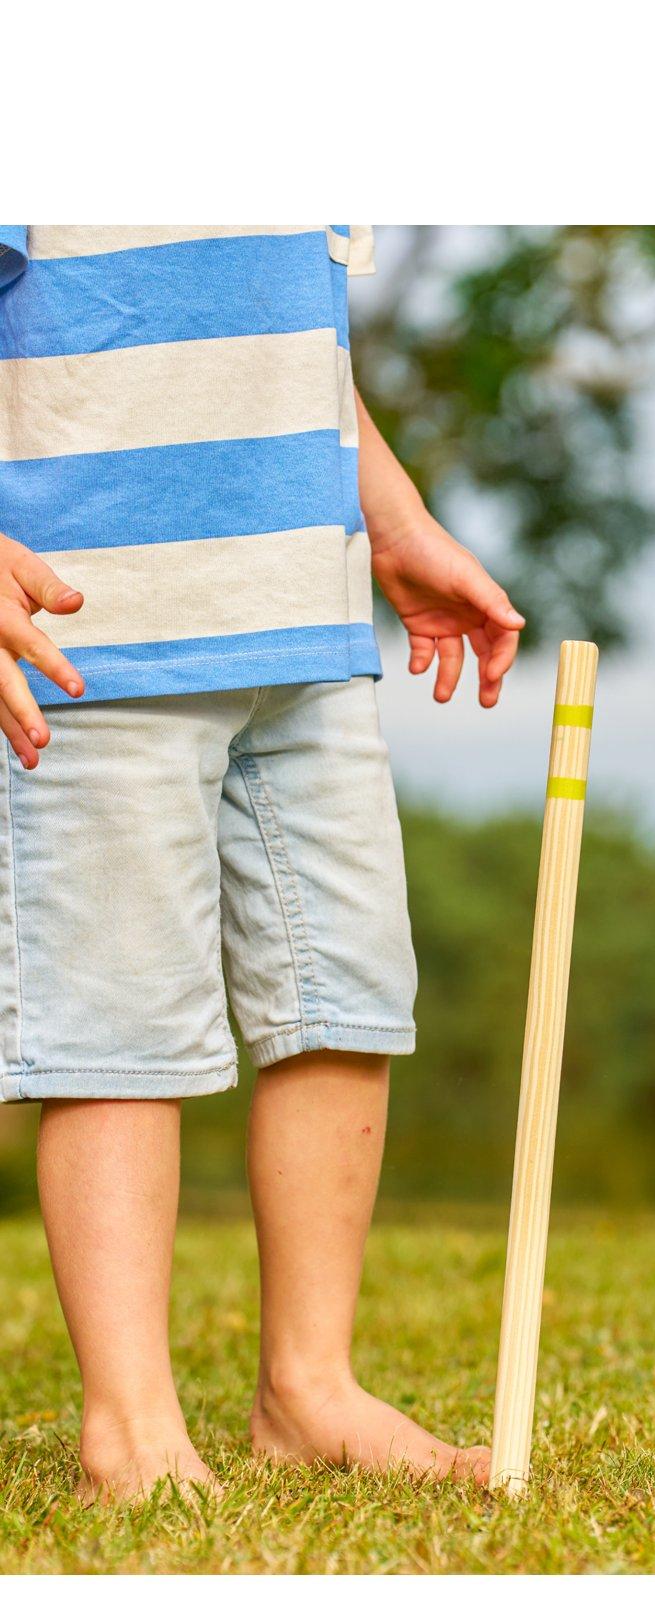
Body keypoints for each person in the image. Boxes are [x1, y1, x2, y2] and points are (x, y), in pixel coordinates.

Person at [0, 225, 522, 1498]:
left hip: (306, 619)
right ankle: (128, 1421)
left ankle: (310, 1384)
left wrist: (392, 519)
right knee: (122, 1026)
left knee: (343, 990)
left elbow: (297, 354)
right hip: (98, 633)